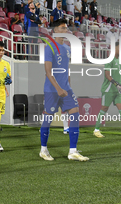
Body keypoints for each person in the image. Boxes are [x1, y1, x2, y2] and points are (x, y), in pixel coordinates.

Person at [39, 19, 88, 161]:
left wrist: (68, 86)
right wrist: (58, 88)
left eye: (66, 28)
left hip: (66, 89)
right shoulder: (49, 47)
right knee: (48, 118)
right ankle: (43, 150)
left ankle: (72, 151)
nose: (65, 30)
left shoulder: (67, 48)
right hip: (52, 90)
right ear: (55, 31)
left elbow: (67, 70)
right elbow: (48, 72)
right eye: (62, 28)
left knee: (75, 112)